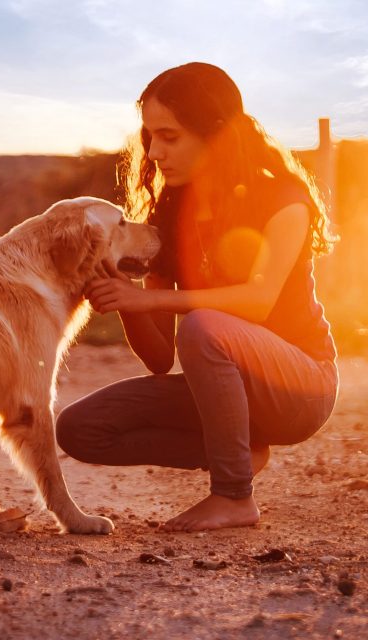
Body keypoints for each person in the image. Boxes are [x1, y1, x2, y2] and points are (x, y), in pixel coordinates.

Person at [55, 62, 339, 532]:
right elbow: (160, 357)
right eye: (148, 136)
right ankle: (241, 453)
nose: (153, 151)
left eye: (170, 136)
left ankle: (233, 495)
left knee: (204, 326)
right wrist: (118, 291)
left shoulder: (284, 199)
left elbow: (258, 301)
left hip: (300, 387)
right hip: (225, 392)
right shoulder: (170, 213)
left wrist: (151, 302)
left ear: (217, 134)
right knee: (81, 428)